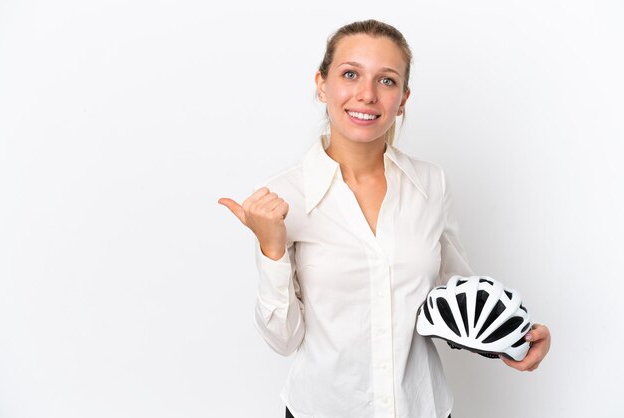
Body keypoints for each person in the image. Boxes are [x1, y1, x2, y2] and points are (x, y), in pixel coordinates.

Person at [218, 19, 551, 418]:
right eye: (350, 74)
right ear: (322, 84)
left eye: (387, 81)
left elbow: (456, 300)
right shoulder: (283, 197)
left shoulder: (430, 184)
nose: (367, 94)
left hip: (421, 407)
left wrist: (517, 338)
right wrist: (272, 248)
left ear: (404, 98)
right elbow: (283, 340)